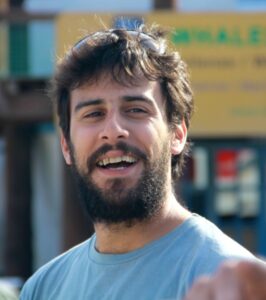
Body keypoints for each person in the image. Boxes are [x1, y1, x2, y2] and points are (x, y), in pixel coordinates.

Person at [19, 24, 261, 300]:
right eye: (93, 113)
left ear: (177, 134)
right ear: (66, 146)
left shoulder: (226, 284)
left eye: (135, 110)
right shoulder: (43, 288)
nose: (113, 129)